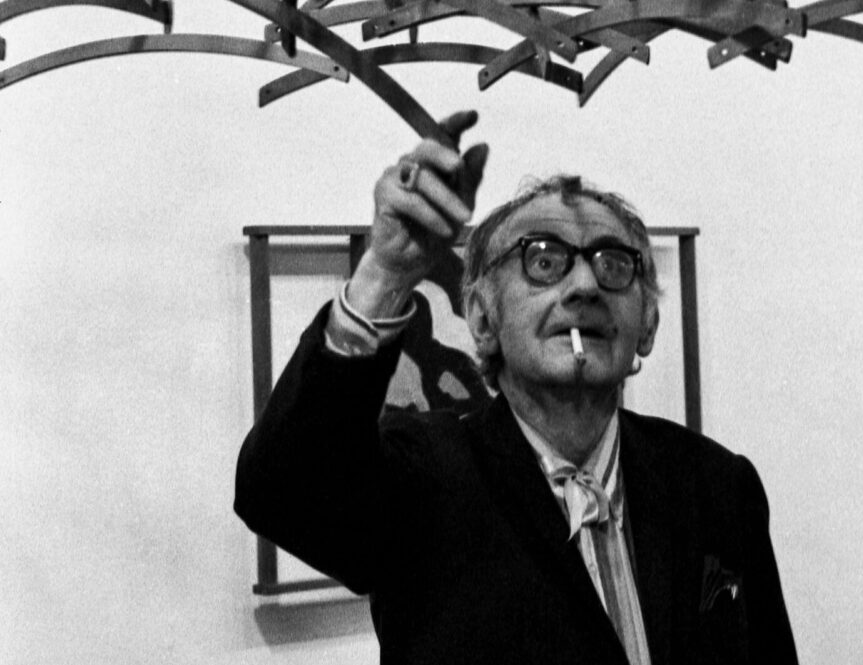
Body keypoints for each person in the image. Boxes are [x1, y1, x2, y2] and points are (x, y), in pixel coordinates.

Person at [234, 111, 797, 665]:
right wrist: (385, 274)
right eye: (544, 261)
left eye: (613, 265)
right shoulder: (422, 478)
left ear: (647, 324)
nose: (585, 285)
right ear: (482, 320)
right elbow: (281, 491)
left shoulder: (718, 486)